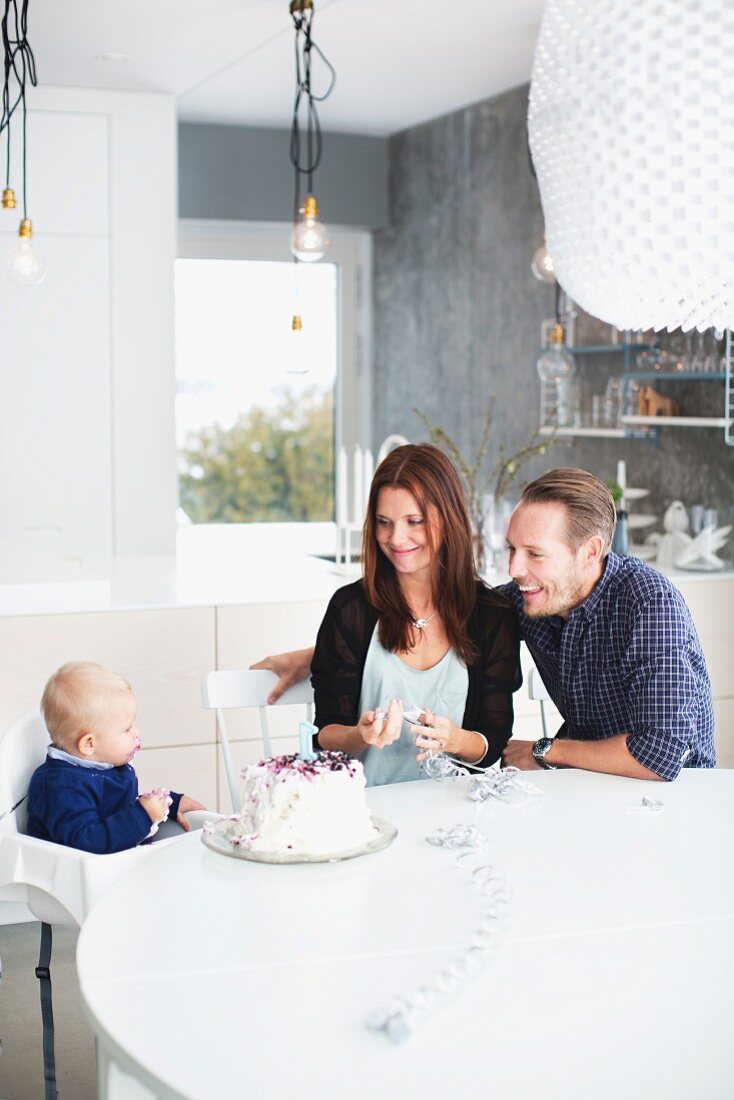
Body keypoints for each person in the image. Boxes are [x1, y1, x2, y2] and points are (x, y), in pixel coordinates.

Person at [254, 466, 715, 782]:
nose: (514, 569)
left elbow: (660, 755)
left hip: (673, 801)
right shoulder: (530, 598)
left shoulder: (650, 604)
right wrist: (323, 654)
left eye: (535, 554)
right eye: (512, 548)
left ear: (590, 552)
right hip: (586, 788)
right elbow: (441, 627)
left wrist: (544, 751)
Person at [296, 444, 520, 786]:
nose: (396, 538)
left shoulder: (491, 615)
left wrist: (454, 739)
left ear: (448, 519)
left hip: (453, 814)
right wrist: (361, 735)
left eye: (414, 522)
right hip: (365, 812)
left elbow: (492, 742)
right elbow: (324, 733)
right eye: (384, 523)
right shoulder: (350, 609)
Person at [27, 661, 206, 853]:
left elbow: (118, 808)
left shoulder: (101, 765)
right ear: (89, 744)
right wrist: (143, 814)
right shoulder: (61, 787)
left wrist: (168, 803)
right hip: (86, 879)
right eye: (126, 728)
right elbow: (89, 843)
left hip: (124, 866)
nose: (136, 732)